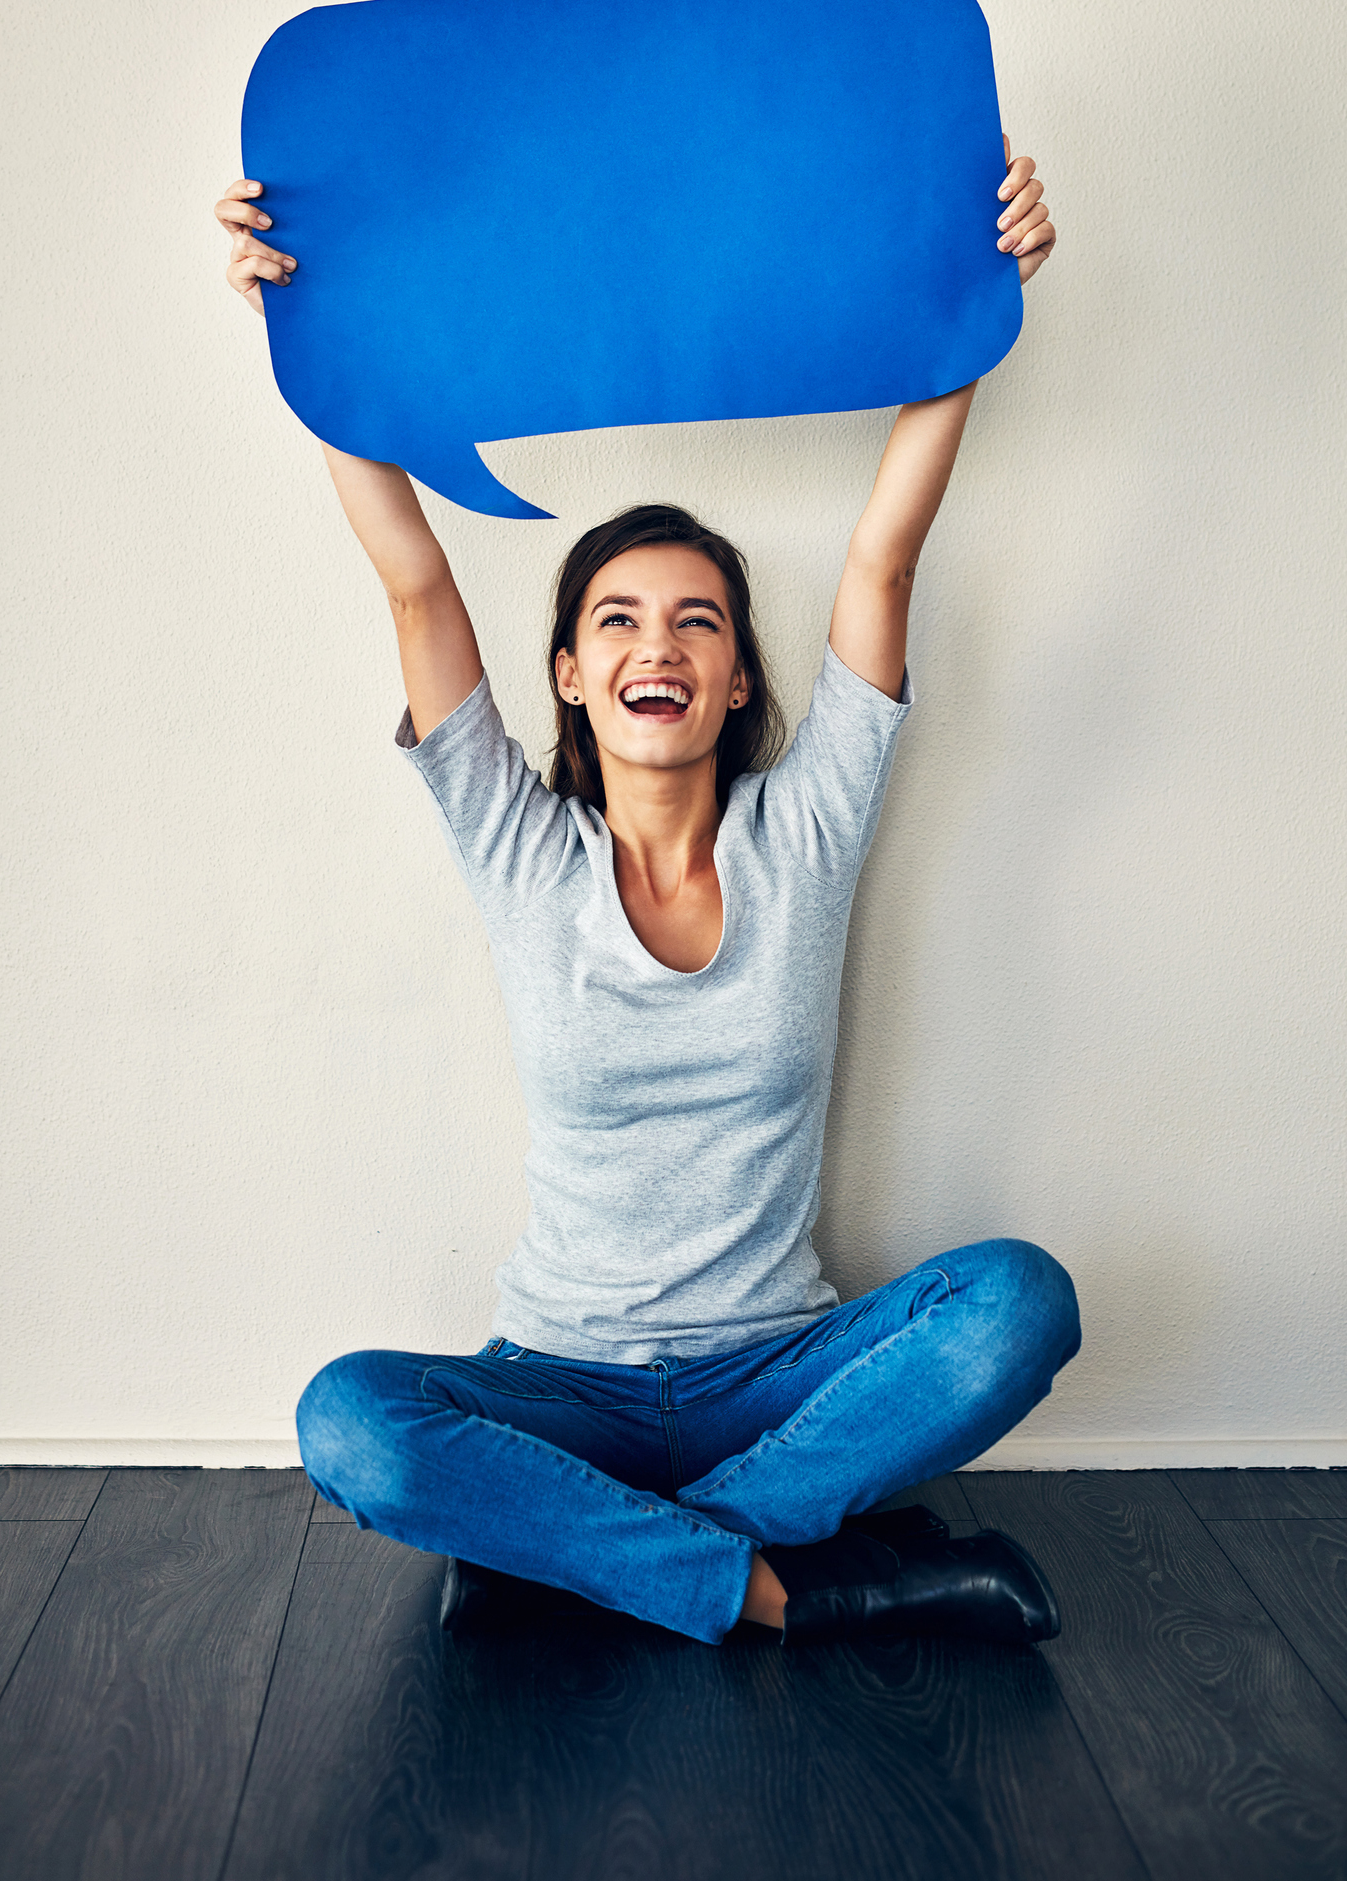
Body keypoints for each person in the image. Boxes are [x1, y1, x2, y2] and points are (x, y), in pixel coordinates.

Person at [214, 140, 1077, 1650]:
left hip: (780, 1368)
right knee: (351, 1420)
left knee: (1018, 1301)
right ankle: (782, 1583)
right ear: (566, 673)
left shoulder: (802, 827)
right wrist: (307, 327)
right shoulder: (514, 841)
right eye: (613, 617)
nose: (653, 642)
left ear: (739, 672)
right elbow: (415, 578)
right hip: (558, 1380)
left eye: (695, 618)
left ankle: (587, 1557)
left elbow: (881, 551)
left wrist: (976, 299)